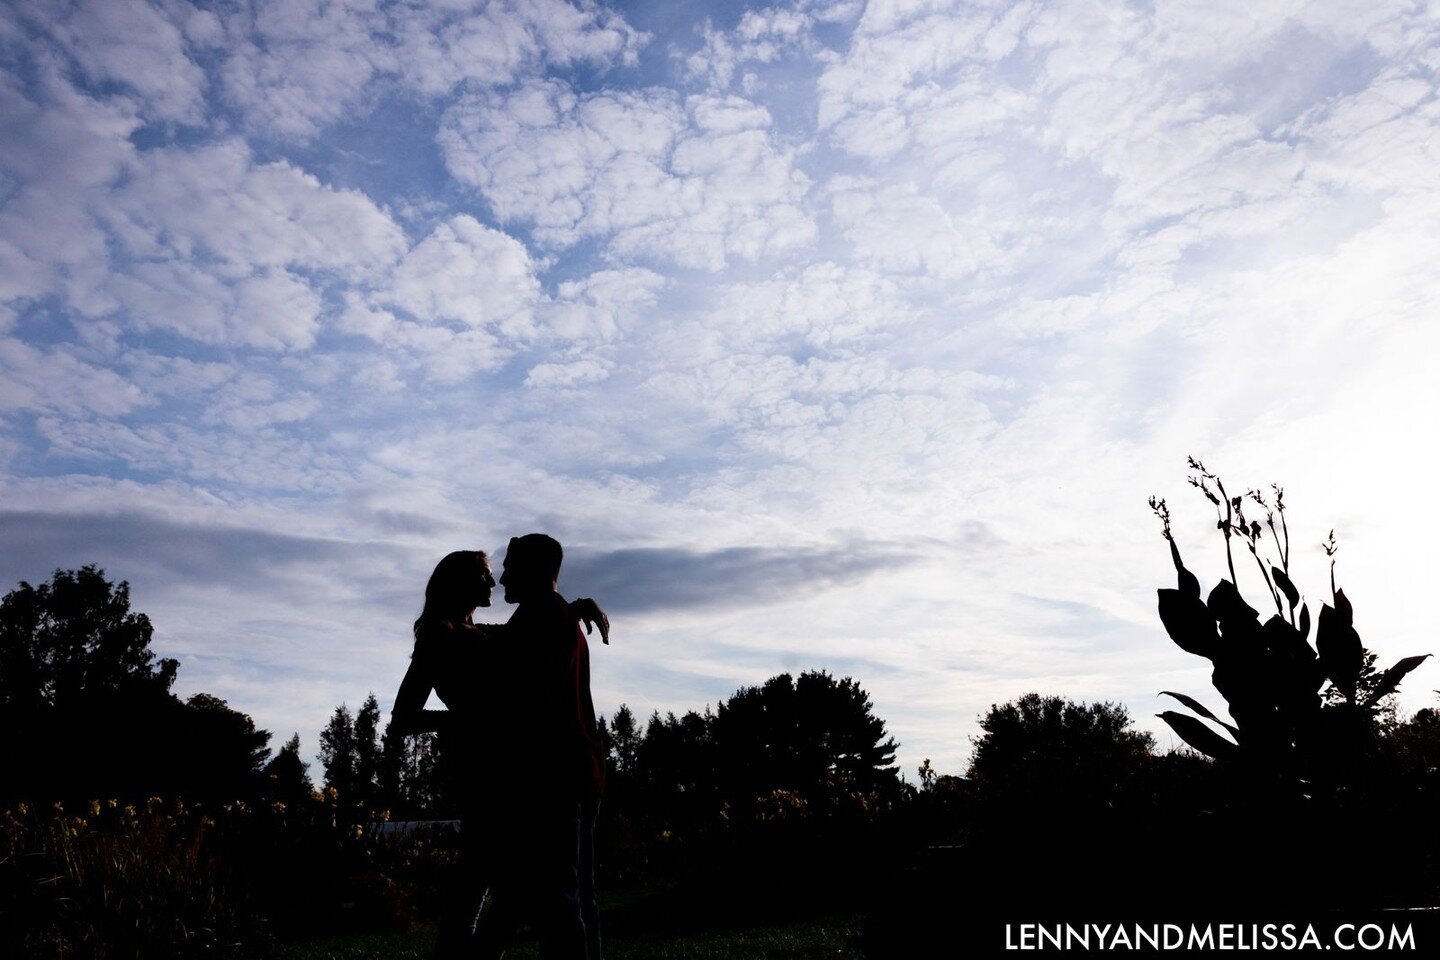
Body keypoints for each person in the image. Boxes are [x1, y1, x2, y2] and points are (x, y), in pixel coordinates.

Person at [389, 548, 607, 960]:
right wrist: (468, 720)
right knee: (485, 890)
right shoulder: (438, 636)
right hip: (486, 779)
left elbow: (522, 631)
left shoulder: (474, 631)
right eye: (484, 575)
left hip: (510, 776)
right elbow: (403, 717)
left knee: (507, 892)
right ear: (459, 584)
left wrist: (572, 607)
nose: (493, 583)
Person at [478, 534, 606, 960]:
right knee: (569, 898)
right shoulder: (549, 615)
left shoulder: (544, 616)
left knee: (560, 901)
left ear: (534, 569)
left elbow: (517, 680)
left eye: (510, 565)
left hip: (555, 777)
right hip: (572, 772)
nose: (501, 578)